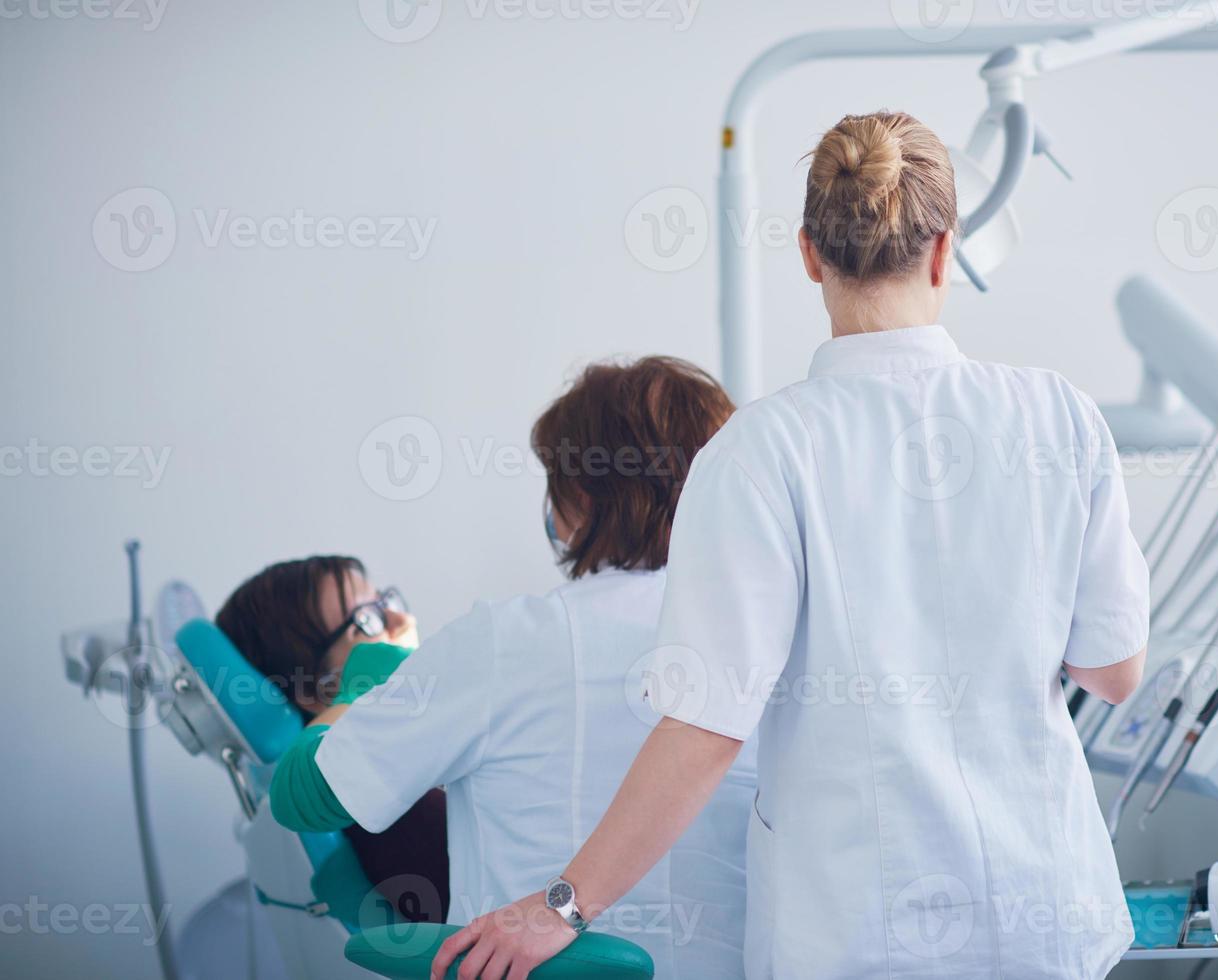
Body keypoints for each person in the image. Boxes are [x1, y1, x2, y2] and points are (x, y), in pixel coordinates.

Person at [436, 111, 1150, 980]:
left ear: (809, 254)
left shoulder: (759, 449)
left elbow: (706, 724)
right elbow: (1112, 675)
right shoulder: (1058, 415)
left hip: (862, 932)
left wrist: (561, 906)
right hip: (1045, 917)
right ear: (944, 252)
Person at [267, 356, 757, 979]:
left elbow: (304, 799)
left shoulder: (506, 640)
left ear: (576, 495)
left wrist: (371, 676)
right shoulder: (770, 641)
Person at [216, 556, 449, 923]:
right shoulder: (394, 809)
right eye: (367, 620)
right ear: (315, 690)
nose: (404, 622)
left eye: (384, 603)